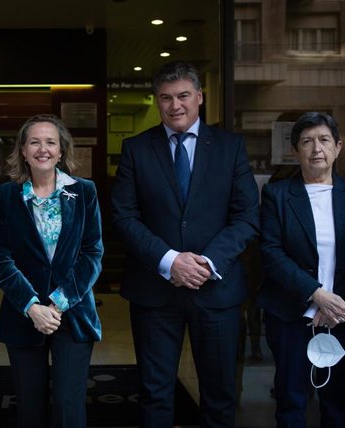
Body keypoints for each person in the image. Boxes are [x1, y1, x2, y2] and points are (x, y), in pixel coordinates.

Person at [111, 60, 260, 427]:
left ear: (199, 97)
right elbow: (123, 217)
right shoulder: (136, 149)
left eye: (182, 96)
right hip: (154, 291)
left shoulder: (230, 147)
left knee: (220, 394)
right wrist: (169, 260)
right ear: (157, 101)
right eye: (165, 98)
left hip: (217, 292)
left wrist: (207, 263)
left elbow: (247, 217)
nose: (175, 106)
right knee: (155, 392)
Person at [256, 111, 345, 427]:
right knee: (291, 402)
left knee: (339, 403)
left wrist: (336, 304)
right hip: (291, 315)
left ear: (338, 147)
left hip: (343, 316)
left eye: (324, 140)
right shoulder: (277, 195)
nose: (316, 149)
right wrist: (316, 295)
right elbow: (270, 251)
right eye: (307, 142)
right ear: (295, 151)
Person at [0, 113, 104, 428]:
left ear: (61, 150)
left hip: (74, 313)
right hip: (23, 314)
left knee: (69, 408)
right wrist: (32, 306)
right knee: (29, 408)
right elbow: (1, 258)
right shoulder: (5, 196)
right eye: (35, 142)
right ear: (23, 150)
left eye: (50, 142)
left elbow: (93, 252)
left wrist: (58, 303)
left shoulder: (84, 192)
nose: (43, 149)